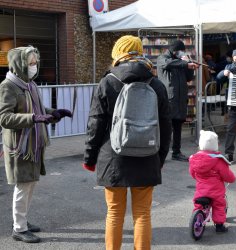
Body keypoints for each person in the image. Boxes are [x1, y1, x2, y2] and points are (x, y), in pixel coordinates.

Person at [82, 35, 172, 250]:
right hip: (148, 153)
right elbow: (166, 125)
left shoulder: (108, 81)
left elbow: (96, 123)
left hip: (113, 156)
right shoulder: (156, 83)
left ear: (118, 53)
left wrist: (90, 157)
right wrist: (160, 157)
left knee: (114, 213)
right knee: (142, 214)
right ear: (140, 52)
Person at [0, 45, 72, 243]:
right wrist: (34, 118)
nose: (35, 65)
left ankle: (21, 220)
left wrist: (55, 113)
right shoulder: (8, 86)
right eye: (31, 62)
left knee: (30, 184)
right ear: (20, 64)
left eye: (36, 62)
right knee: (23, 185)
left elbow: (39, 109)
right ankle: (19, 228)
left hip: (34, 142)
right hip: (20, 145)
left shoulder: (30, 84)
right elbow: (5, 118)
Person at [157, 40, 199, 162]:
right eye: (180, 50)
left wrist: (190, 66)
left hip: (180, 99)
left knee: (178, 127)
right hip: (169, 99)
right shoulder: (163, 58)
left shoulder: (180, 62)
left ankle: (176, 152)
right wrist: (185, 63)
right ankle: (160, 153)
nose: (181, 53)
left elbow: (189, 78)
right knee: (166, 128)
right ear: (174, 50)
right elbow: (168, 64)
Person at [189, 130, 236, 233]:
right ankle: (219, 226)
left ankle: (197, 217)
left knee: (199, 205)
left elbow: (192, 173)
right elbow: (227, 175)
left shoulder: (194, 159)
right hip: (216, 191)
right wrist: (232, 179)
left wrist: (199, 179)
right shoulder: (218, 160)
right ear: (215, 145)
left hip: (201, 190)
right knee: (219, 206)